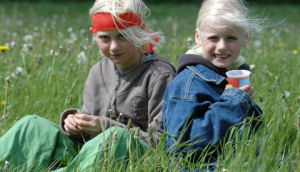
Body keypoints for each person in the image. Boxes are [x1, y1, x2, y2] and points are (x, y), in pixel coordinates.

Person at [0, 0, 175, 171]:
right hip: (93, 152)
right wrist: (74, 124)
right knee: (31, 125)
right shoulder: (98, 71)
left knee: (116, 137)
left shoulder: (160, 75)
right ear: (95, 35)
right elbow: (86, 133)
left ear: (139, 33)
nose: (114, 47)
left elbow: (163, 142)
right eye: (105, 38)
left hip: (134, 157)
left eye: (122, 36)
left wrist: (105, 128)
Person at [162, 0, 263, 169]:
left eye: (230, 38)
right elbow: (184, 145)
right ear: (198, 37)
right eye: (213, 38)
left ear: (245, 38)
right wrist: (233, 101)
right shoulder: (188, 82)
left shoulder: (231, 73)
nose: (222, 47)